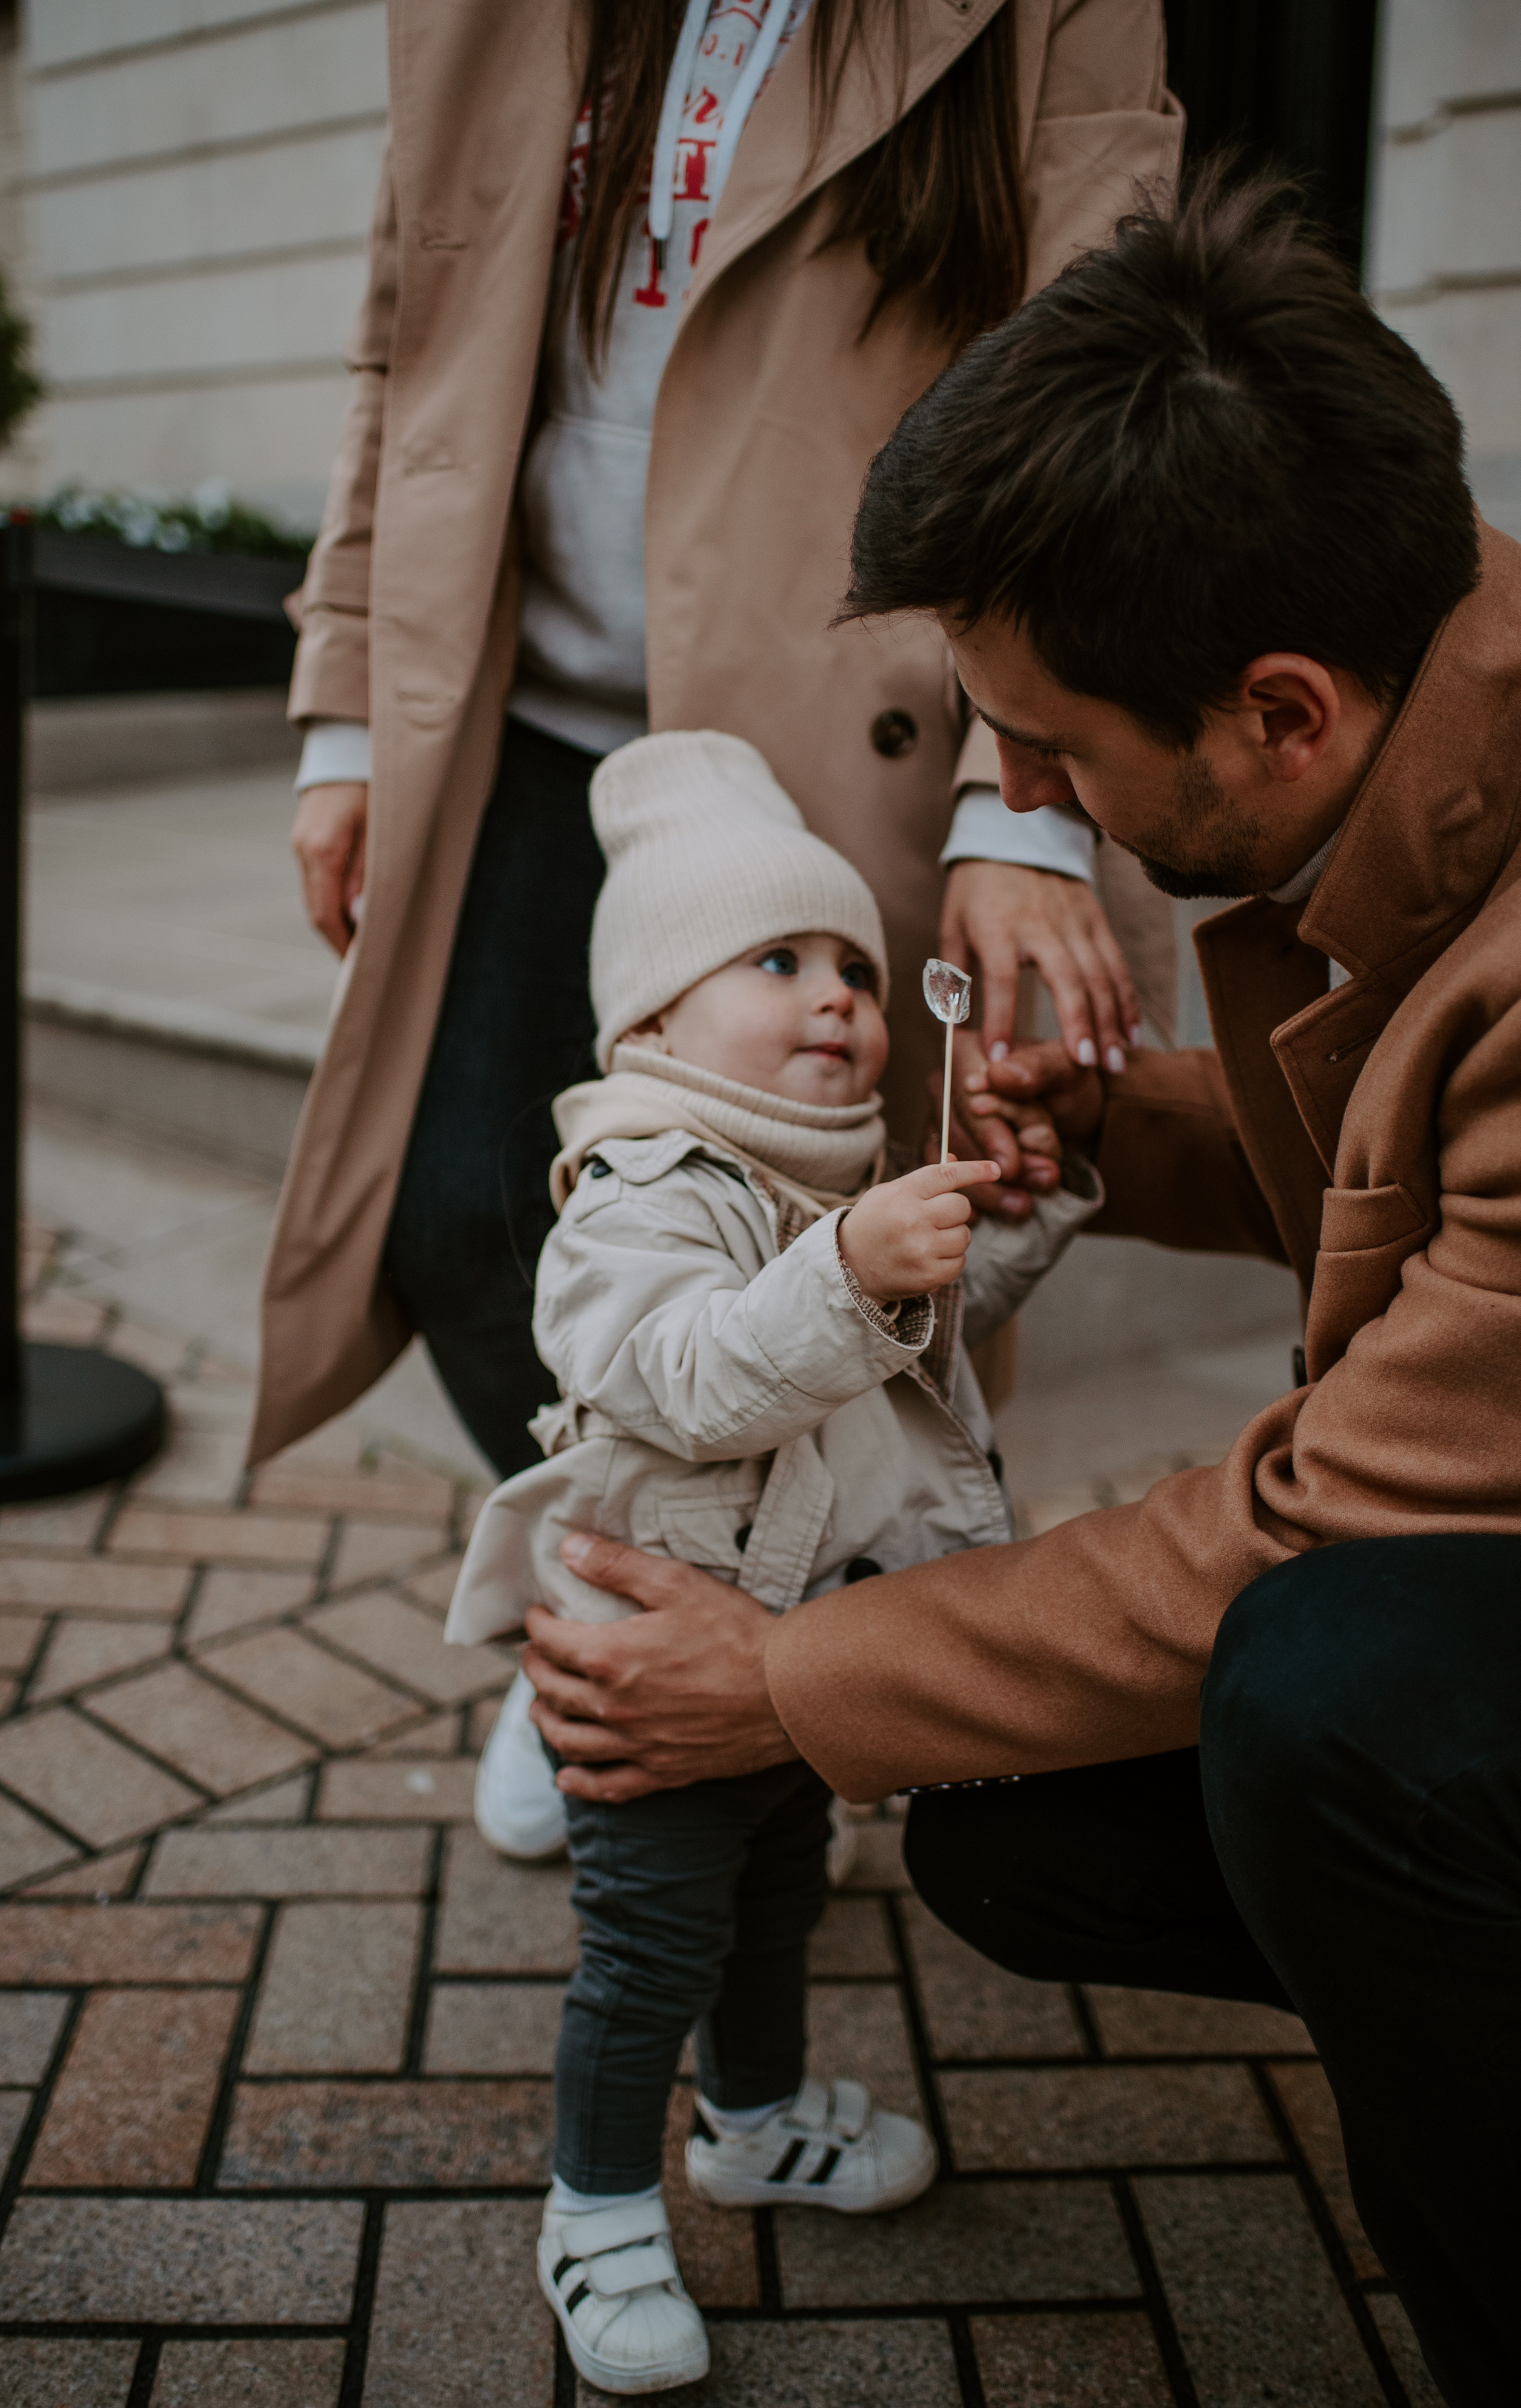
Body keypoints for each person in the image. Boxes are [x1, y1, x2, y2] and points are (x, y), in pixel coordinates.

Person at [517, 169, 1521, 2408]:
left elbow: (1341, 1510)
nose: (1027, 802)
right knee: (1013, 1811)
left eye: (1050, 750)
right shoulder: (1433, 735)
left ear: (1277, 710)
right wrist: (1124, 1131)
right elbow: (1431, 1187)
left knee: (1327, 1685)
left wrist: (786, 1680)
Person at [252, 0, 1181, 1470]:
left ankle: (744, 1601)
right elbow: (402, 352)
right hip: (520, 725)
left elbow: (1097, 362)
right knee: (458, 1224)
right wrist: (349, 714)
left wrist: (1024, 799)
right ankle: (641, 1579)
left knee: (821, 1252)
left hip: (828, 749)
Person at [445, 729, 1099, 2394]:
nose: (837, 999)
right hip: (657, 1667)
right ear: (651, 1027)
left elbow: (904, 1342)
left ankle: (751, 2121)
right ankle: (596, 2211)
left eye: (855, 970)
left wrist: (1014, 1211)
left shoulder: (825, 1178)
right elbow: (685, 1372)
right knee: (649, 1948)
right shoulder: (634, 1190)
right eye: (777, 962)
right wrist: (853, 1267)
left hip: (793, 1649)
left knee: (778, 1898)